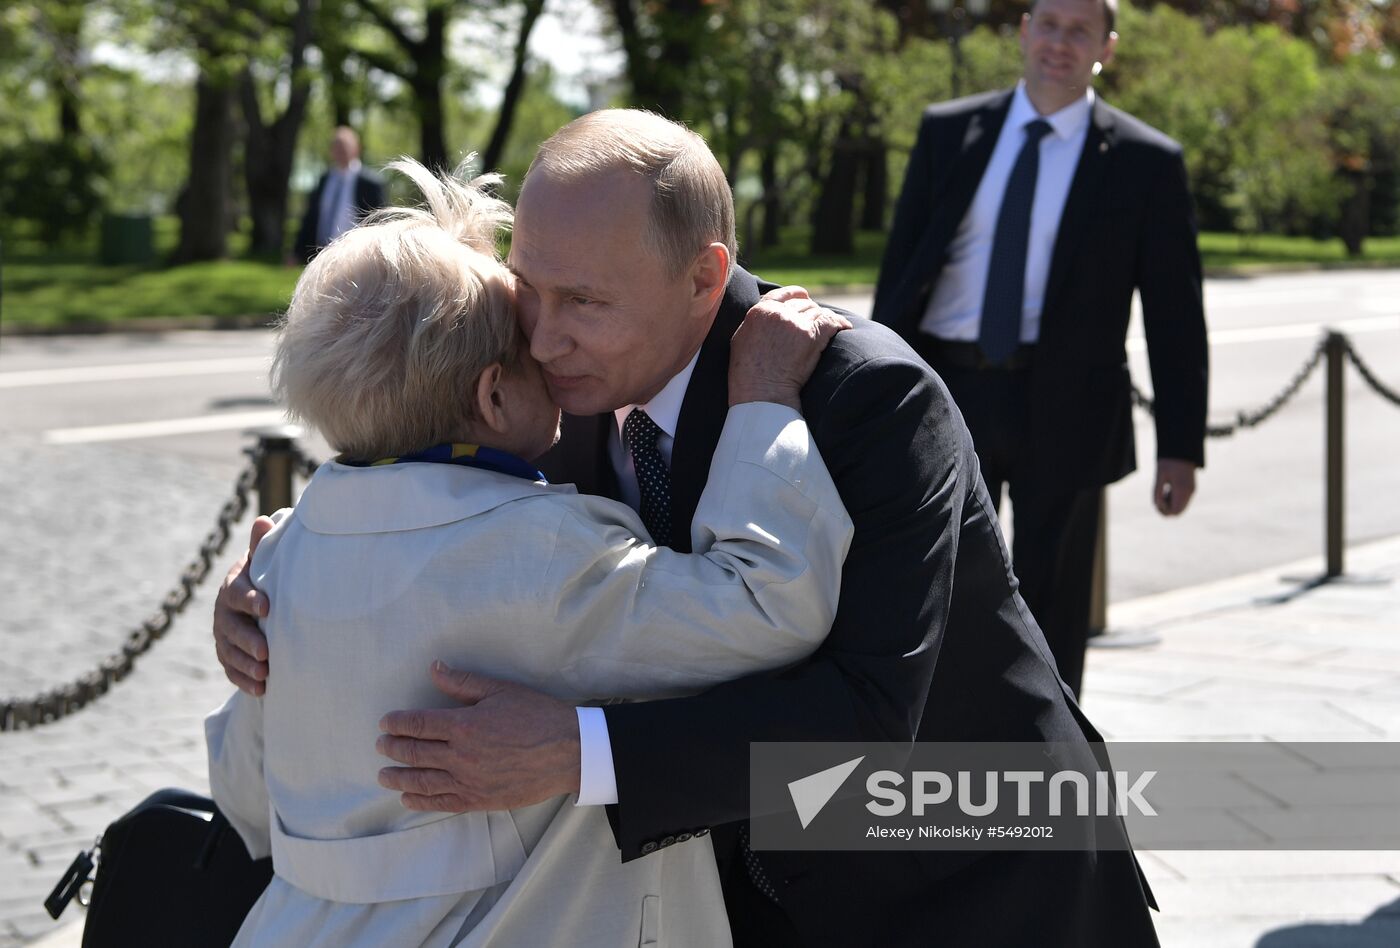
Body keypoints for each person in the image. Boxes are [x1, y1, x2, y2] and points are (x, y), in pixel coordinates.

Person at [216, 110, 1159, 946]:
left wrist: (581, 752)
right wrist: (280, 591)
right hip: (752, 900)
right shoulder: (559, 384)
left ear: (704, 277)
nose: (541, 337)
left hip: (965, 886)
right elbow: (454, 516)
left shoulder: (864, 396)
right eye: (528, 288)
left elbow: (868, 721)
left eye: (584, 301)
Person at [207, 157, 854, 946]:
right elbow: (768, 603)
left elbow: (243, 798)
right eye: (528, 339)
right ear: (493, 395)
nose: (551, 346)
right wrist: (760, 407)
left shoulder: (279, 559)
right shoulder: (538, 550)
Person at [872, 0, 1208, 697]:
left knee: (1052, 594)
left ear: (1106, 48)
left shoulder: (1147, 162)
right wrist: (872, 395)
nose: (1060, 42)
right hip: (948, 392)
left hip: (1069, 404)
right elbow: (901, 274)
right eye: (1048, 24)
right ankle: (953, 743)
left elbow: (1175, 315)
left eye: (1080, 29)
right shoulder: (948, 131)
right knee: (941, 584)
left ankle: (1053, 750)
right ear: (1024, 32)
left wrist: (1181, 443)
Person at [288, 126, 387, 264]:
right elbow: (311, 217)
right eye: (336, 146)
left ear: (356, 149)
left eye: (344, 146)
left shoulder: (370, 184)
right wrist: (297, 252)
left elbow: (380, 223)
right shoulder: (324, 180)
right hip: (321, 255)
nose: (340, 151)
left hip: (356, 257)